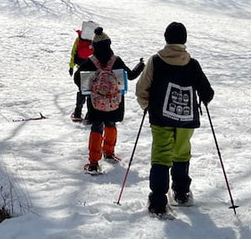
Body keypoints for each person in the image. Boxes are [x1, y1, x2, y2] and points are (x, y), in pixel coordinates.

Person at [134, 21, 214, 215]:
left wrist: (148, 107)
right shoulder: (192, 64)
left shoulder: (155, 61)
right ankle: (181, 192)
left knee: (161, 155)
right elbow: (208, 93)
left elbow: (141, 89)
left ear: (166, 39)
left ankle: (158, 201)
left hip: (160, 118)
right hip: (186, 119)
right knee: (182, 153)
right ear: (184, 40)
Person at [74, 27, 144, 174]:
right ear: (109, 44)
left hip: (96, 102)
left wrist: (88, 89)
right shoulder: (115, 60)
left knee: (96, 127)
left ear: (94, 45)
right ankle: (109, 153)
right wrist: (140, 66)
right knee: (111, 124)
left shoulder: (91, 61)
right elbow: (131, 75)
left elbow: (77, 77)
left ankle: (93, 163)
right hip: (114, 101)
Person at [67, 20, 97, 122]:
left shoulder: (79, 39)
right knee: (91, 91)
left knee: (82, 90)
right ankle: (90, 115)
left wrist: (71, 66)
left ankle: (77, 113)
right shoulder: (95, 40)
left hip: (80, 67)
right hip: (93, 68)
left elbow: (73, 53)